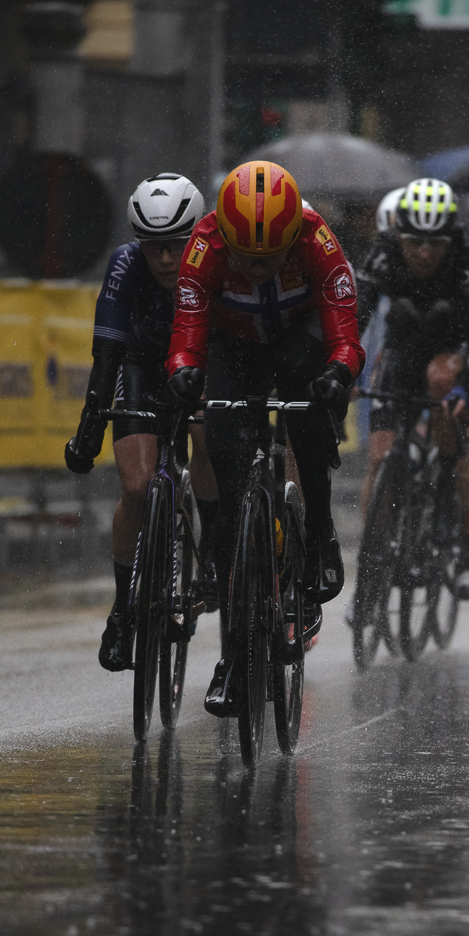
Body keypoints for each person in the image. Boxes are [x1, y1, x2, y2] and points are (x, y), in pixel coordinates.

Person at [165, 159, 365, 716]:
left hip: (300, 336)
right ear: (226, 238)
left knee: (308, 411)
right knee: (229, 494)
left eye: (271, 258)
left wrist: (338, 373)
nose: (257, 268)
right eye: (247, 258)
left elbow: (344, 332)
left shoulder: (317, 240)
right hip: (234, 345)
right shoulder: (204, 247)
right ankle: (234, 657)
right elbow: (187, 333)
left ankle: (319, 531)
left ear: (293, 237)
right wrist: (183, 370)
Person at [65, 172, 219, 672]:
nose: (167, 258)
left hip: (201, 365)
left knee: (206, 437)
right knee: (136, 486)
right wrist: (89, 429)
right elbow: (106, 355)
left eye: (177, 244)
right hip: (140, 367)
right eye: (154, 246)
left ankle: (211, 554)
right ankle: (122, 612)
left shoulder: (214, 263)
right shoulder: (125, 265)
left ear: (195, 236)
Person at [355, 177, 469, 599]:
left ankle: (467, 545)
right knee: (380, 457)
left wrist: (467, 386)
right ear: (398, 234)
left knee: (443, 394)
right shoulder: (383, 252)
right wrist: (342, 369)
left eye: (436, 243)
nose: (424, 252)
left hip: (452, 356)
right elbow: (355, 318)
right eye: (414, 241)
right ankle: (370, 566)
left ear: (452, 238)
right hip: (401, 353)